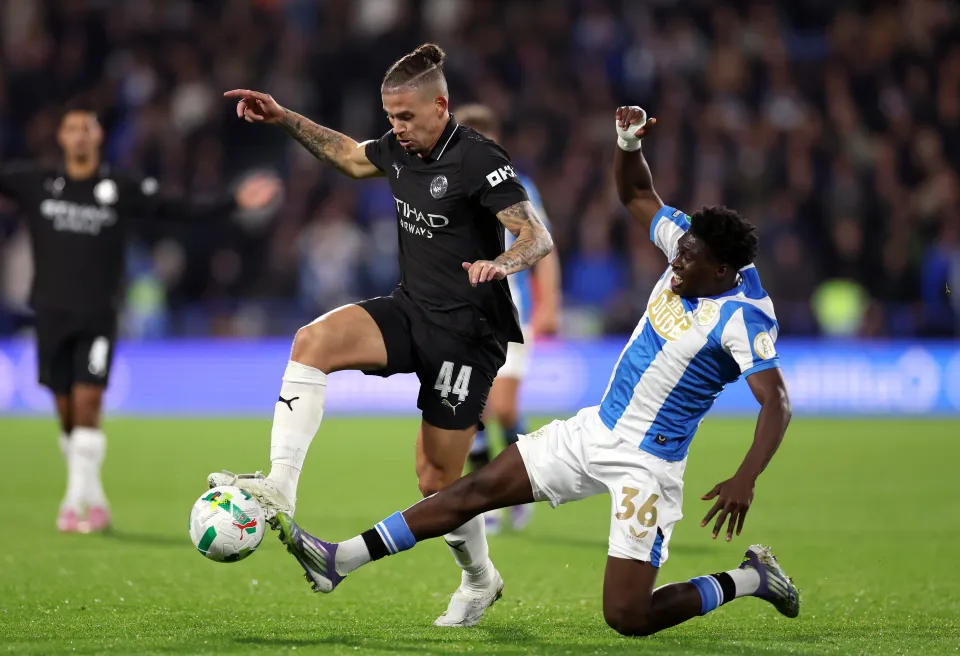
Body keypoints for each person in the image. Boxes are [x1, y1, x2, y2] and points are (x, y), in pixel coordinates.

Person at [272, 106, 799, 636]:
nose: (676, 263)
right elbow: (639, 196)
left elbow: (775, 401)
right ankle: (339, 559)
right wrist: (627, 142)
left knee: (627, 616)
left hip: (648, 464)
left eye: (688, 261)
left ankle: (751, 579)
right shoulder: (689, 245)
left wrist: (745, 478)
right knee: (473, 490)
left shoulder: (743, 318)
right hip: (595, 429)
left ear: (723, 271)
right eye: (678, 252)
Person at [210, 43, 553, 627]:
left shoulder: (478, 158)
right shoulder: (397, 149)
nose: (396, 129)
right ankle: (279, 489)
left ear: (441, 106)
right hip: (410, 309)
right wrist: (285, 116)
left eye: (406, 117)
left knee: (436, 478)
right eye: (390, 117)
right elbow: (348, 155)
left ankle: (480, 579)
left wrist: (505, 263)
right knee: (311, 341)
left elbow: (536, 234)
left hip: (467, 335)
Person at [0, 104, 279, 534]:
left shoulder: (119, 187)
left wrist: (233, 201)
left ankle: (73, 503)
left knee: (89, 402)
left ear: (97, 136)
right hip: (51, 314)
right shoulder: (35, 183)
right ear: (60, 138)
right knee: (67, 413)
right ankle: (93, 498)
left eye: (86, 128)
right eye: (71, 128)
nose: (78, 136)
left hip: (98, 315)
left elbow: (178, 208)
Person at [454, 104, 561, 535]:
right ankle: (487, 502)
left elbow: (542, 245)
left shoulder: (515, 188)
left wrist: (549, 302)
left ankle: (527, 482)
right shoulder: (442, 186)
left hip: (507, 314)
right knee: (468, 413)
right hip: (459, 316)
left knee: (502, 408)